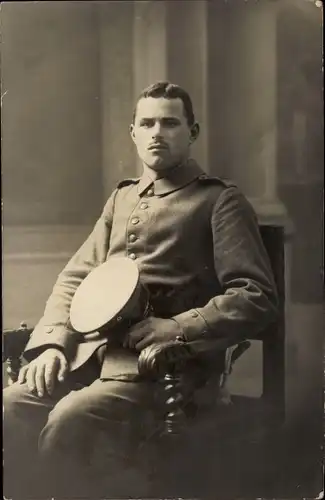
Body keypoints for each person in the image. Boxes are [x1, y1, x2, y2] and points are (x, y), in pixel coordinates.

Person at [3, 81, 278, 498]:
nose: (156, 133)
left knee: (70, 422)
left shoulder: (220, 201)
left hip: (168, 372)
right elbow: (75, 278)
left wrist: (176, 328)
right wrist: (53, 345)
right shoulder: (122, 199)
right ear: (133, 133)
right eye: (146, 123)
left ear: (192, 132)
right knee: (9, 408)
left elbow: (255, 295)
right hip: (92, 358)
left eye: (169, 122)